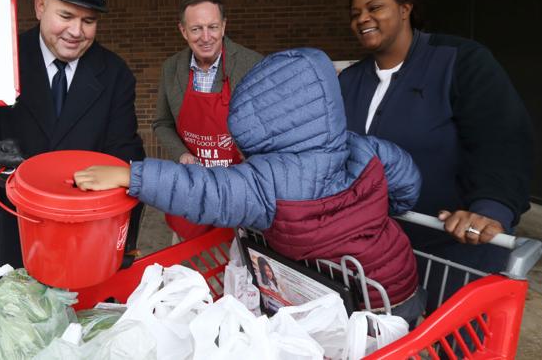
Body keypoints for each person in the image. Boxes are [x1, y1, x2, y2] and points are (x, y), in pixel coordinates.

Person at [75, 48, 426, 322]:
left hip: (337, 306)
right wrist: (380, 210)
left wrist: (131, 176)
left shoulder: (265, 181)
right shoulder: (366, 149)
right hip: (400, 285)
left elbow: (202, 190)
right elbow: (407, 182)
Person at [0, 0, 145, 285]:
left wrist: (121, 244)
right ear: (40, 6)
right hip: (11, 238)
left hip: (87, 242)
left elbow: (125, 154)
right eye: (65, 15)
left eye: (89, 20)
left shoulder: (115, 75)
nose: (76, 31)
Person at [338, 0, 534, 287]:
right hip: (378, 253)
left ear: (405, 9)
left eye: (375, 8)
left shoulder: (461, 60)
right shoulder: (349, 81)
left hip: (454, 253)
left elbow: (502, 141)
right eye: (355, 14)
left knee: (452, 337)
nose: (363, 19)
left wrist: (490, 208)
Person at [153, 0, 262, 240]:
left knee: (237, 265)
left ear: (223, 26)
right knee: (191, 265)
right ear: (182, 30)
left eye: (212, 27)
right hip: (192, 188)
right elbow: (162, 123)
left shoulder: (253, 65)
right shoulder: (171, 69)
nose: (205, 37)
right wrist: (181, 154)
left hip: (239, 188)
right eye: (196, 29)